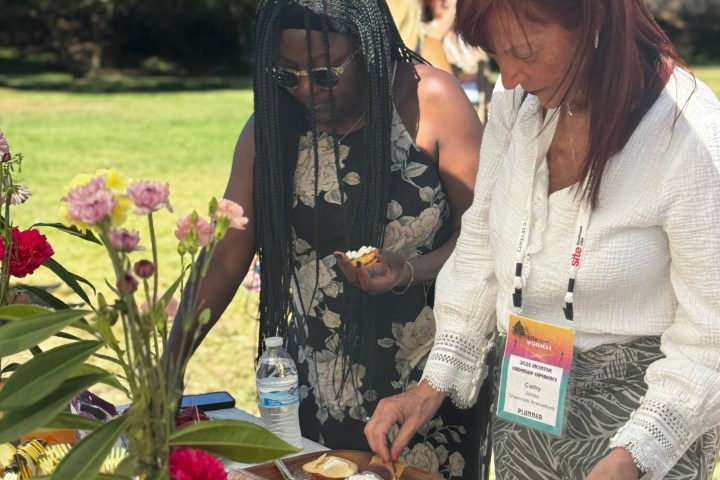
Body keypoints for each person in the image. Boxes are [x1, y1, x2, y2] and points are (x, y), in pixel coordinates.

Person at [364, 0, 720, 479]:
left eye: (524, 52)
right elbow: (480, 243)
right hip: (529, 405)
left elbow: (711, 336)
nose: (508, 77)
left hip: (645, 418)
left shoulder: (691, 133)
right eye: (496, 55)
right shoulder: (520, 103)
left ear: (593, 24)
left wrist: (635, 456)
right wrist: (433, 383)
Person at [168, 0, 492, 477]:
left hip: (428, 392)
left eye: (324, 74)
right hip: (316, 393)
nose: (304, 90)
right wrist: (168, 364)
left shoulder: (433, 103)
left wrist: (408, 270)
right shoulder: (271, 127)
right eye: (286, 73)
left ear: (370, 49)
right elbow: (224, 258)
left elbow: (486, 243)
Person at [422, 0, 493, 121]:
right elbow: (431, 39)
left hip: (480, 119)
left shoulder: (467, 36)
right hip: (450, 121)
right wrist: (457, 7)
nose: (444, 1)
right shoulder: (423, 32)